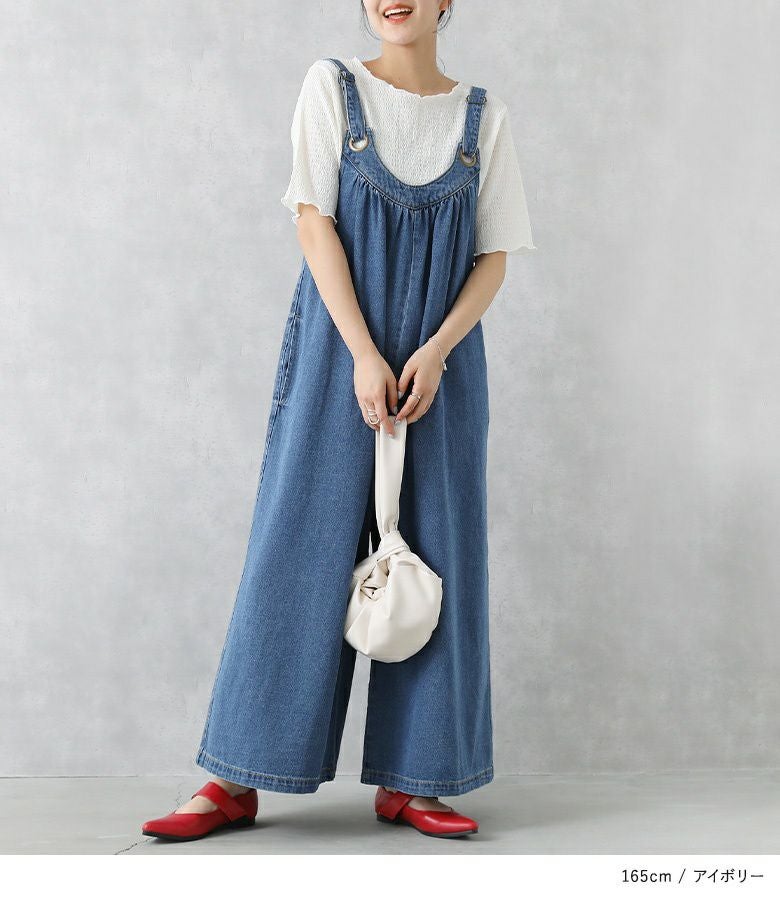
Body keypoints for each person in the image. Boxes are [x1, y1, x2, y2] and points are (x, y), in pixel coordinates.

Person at [141, 0, 535, 843]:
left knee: (439, 550)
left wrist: (436, 351)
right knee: (299, 545)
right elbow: (313, 223)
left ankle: (417, 778)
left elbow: (494, 256)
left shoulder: (485, 119)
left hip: (440, 368)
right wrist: (361, 351)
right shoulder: (332, 89)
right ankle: (236, 778)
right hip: (336, 351)